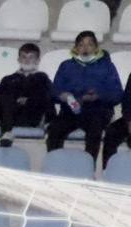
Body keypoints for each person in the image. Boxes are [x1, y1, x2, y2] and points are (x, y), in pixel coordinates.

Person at [48, 30, 122, 161]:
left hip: (97, 110)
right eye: (81, 45)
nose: (85, 48)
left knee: (95, 131)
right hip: (70, 110)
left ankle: (89, 169)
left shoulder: (107, 66)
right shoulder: (66, 66)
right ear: (76, 48)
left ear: (96, 48)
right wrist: (62, 96)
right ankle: (54, 165)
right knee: (54, 129)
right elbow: (54, 91)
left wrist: (98, 96)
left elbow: (117, 94)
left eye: (90, 45)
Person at [0, 43, 53, 146]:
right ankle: (7, 132)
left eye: (31, 57)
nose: (27, 60)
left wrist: (28, 101)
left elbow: (46, 99)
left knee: (42, 91)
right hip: (11, 115)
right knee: (5, 95)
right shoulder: (8, 79)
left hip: (32, 117)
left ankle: (7, 131)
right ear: (18, 60)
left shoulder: (43, 78)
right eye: (23, 57)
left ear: (38, 60)